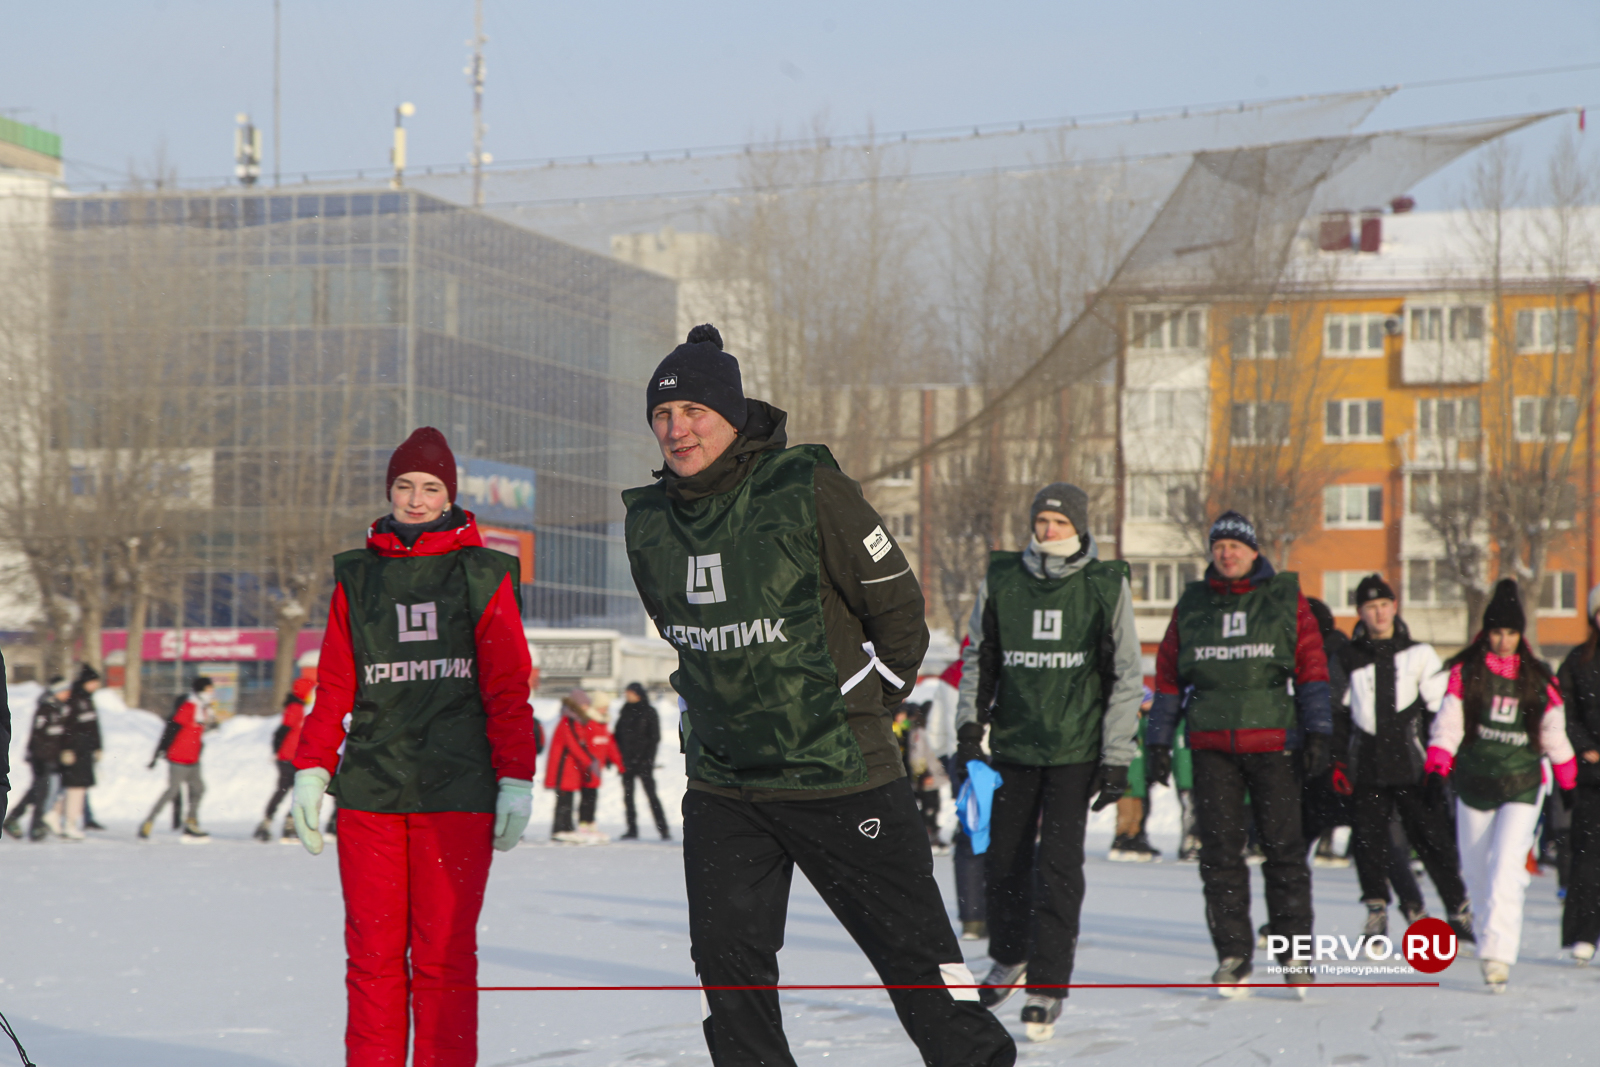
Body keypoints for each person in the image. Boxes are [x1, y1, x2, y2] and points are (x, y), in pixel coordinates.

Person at [624, 324, 1015, 1067]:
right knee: (729, 972)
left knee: (918, 959)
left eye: (694, 413)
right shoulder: (649, 523)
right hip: (725, 785)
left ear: (732, 416)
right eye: (662, 417)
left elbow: (900, 616)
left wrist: (859, 703)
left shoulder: (806, 488)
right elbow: (685, 637)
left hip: (841, 771)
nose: (677, 429)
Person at [290, 426, 539, 1067]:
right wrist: (312, 769)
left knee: (444, 954)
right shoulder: (358, 578)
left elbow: (508, 688)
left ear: (450, 495)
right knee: (370, 958)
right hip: (371, 789)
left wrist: (516, 776)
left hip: (455, 791)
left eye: (430, 487)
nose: (416, 499)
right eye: (404, 485)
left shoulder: (482, 575)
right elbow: (336, 684)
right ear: (389, 492)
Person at [954, 481, 1140, 1038]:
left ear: (1079, 528)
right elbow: (978, 658)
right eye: (1042, 521)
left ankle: (1048, 985)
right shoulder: (1004, 578)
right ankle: (1010, 957)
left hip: (1074, 752)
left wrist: (1116, 758)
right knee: (1003, 860)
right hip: (1014, 745)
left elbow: (1126, 676)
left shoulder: (1105, 584)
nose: (1048, 530)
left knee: (1059, 869)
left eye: (1059, 522)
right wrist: (969, 728)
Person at [1145, 510, 1332, 998]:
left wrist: (1318, 733)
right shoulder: (1192, 604)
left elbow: (1312, 668)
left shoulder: (1285, 598)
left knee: (1283, 850)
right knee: (1220, 856)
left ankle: (1296, 950)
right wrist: (1159, 741)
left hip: (1274, 745)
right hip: (1211, 748)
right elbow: (1167, 680)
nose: (1227, 553)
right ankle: (1232, 954)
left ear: (1254, 552)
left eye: (1236, 545)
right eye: (1219, 546)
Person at [1425, 578, 1578, 991]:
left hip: (1522, 783)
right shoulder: (1467, 674)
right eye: (1497, 631)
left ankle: (1497, 954)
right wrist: (1438, 760)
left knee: (1507, 869)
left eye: (1511, 632)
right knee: (1475, 871)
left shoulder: (1537, 678)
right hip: (1475, 782)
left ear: (1520, 633)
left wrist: (1568, 774)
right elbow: (1449, 723)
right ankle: (1486, 932)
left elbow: (1552, 730)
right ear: (1485, 632)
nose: (1504, 640)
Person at [1334, 575, 1472, 945]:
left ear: (1394, 607)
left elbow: (1443, 711)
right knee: (1368, 842)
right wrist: (1337, 762)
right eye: (1369, 608)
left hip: (1414, 768)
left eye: (1383, 606)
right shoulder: (1348, 658)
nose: (1378, 614)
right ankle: (1376, 913)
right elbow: (1338, 717)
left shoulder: (1419, 654)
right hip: (1366, 767)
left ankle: (1458, 909)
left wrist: (1442, 761)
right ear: (1359, 613)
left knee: (1432, 841)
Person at [1558, 583, 1600, 964]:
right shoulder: (1578, 661)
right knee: (1587, 857)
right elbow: (1564, 711)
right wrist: (1584, 745)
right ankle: (1583, 933)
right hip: (1592, 776)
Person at [140, 676, 218, 840]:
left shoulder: (204, 708)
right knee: (172, 791)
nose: (212, 692)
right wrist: (159, 752)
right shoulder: (189, 706)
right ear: (201, 690)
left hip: (193, 758)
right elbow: (171, 729)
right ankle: (148, 821)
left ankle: (191, 822)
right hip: (179, 757)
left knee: (199, 789)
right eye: (209, 689)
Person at [545, 688, 624, 843]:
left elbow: (605, 744)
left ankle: (566, 828)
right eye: (584, 705)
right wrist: (589, 761)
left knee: (568, 798)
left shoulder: (577, 721)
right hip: (564, 767)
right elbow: (574, 744)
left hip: (572, 767)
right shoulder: (569, 721)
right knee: (564, 799)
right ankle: (560, 828)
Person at [5, 679, 71, 841]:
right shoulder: (46, 709)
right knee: (42, 792)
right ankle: (36, 827)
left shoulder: (60, 708)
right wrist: (41, 758)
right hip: (41, 759)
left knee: (37, 791)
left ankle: (14, 818)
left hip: (51, 758)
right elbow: (39, 738)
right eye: (64, 691)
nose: (67, 694)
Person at [256, 677, 315, 843]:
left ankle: (279, 822)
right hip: (288, 757)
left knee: (292, 790)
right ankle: (275, 823)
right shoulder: (295, 708)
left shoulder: (298, 707)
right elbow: (281, 731)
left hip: (295, 757)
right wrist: (276, 751)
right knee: (289, 790)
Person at [614, 682, 670, 840]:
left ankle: (663, 829)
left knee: (651, 796)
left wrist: (648, 759)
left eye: (630, 693)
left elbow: (654, 738)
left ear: (638, 694)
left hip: (644, 762)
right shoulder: (624, 711)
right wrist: (617, 757)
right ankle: (632, 829)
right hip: (627, 761)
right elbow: (617, 736)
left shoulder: (649, 711)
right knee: (628, 797)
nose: (627, 695)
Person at [56, 665, 104, 841]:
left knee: (79, 788)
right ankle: (68, 823)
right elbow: (68, 727)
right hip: (76, 751)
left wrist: (98, 746)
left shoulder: (88, 700)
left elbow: (94, 727)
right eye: (94, 682)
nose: (96, 686)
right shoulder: (74, 699)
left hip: (86, 751)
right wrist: (67, 748)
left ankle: (59, 817)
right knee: (75, 788)